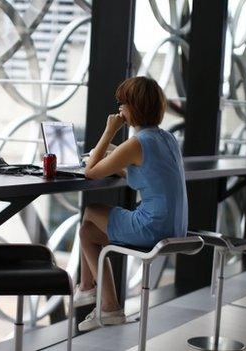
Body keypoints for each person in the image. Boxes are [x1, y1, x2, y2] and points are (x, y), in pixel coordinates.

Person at [75, 76, 188, 331]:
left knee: (91, 211)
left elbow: (90, 173)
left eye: (122, 104)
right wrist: (116, 159)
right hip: (176, 228)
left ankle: (94, 294)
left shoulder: (137, 143)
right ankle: (102, 301)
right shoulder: (167, 138)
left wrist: (109, 131)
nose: (119, 110)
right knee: (87, 233)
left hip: (154, 228)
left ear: (133, 107)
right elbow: (151, 172)